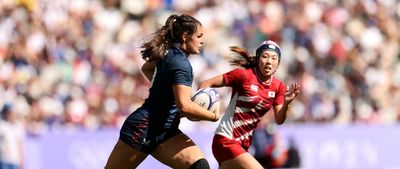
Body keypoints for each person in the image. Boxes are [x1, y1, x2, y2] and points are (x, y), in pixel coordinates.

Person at [105, 14, 220, 169]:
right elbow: (185, 107)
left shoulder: (169, 52)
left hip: (166, 131)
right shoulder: (181, 64)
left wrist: (164, 86)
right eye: (199, 36)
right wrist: (214, 117)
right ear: (185, 36)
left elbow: (147, 68)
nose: (202, 40)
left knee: (199, 167)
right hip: (144, 128)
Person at [199, 40, 300, 169]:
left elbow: (279, 119)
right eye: (265, 56)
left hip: (243, 146)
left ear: (278, 63)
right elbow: (206, 84)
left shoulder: (278, 86)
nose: (269, 61)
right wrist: (204, 108)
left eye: (274, 58)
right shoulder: (243, 75)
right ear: (258, 59)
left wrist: (287, 103)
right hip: (226, 141)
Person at [0, 104, 24, 169]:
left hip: (14, 159)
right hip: (4, 158)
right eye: (8, 112)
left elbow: (19, 143)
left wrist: (22, 159)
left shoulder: (18, 126)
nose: (10, 114)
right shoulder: (2, 125)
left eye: (12, 112)